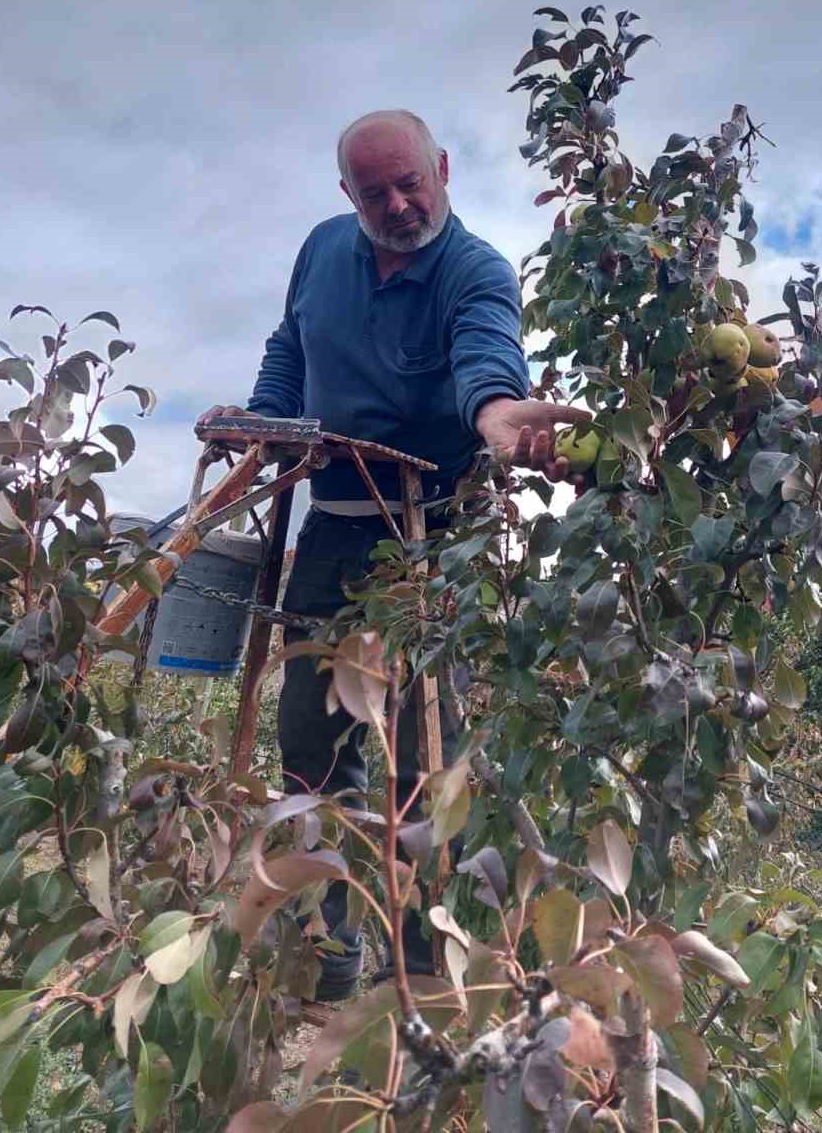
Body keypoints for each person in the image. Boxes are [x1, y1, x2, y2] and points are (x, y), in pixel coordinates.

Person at [197, 109, 585, 999]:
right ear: (348, 196)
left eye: (412, 183)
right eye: (376, 193)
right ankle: (330, 958)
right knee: (311, 745)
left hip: (430, 536)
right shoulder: (323, 249)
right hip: (332, 525)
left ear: (444, 168)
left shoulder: (475, 270)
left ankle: (417, 971)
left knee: (419, 757)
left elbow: (486, 363)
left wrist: (497, 417)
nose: (399, 204)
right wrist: (264, 423)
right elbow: (290, 347)